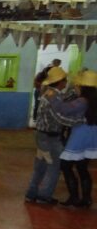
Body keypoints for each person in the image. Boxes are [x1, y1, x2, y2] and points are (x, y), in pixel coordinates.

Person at [50, 69, 97, 208]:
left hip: (81, 134)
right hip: (92, 136)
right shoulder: (94, 100)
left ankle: (74, 197)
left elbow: (64, 110)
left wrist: (53, 97)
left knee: (66, 165)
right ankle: (86, 199)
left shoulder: (82, 101)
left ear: (82, 87)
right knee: (82, 167)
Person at [25, 67, 69, 205]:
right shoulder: (54, 96)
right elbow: (60, 118)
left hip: (41, 136)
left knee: (40, 167)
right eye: (65, 80)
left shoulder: (46, 93)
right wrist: (79, 121)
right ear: (60, 82)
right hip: (50, 138)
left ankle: (31, 193)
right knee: (53, 168)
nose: (66, 82)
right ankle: (44, 196)